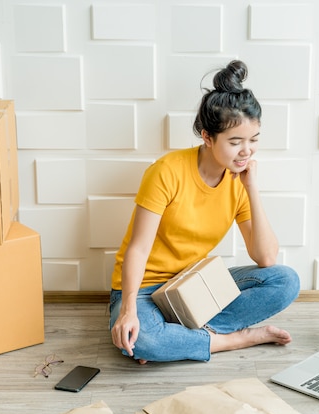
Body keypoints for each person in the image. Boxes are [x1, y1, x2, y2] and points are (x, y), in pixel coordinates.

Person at [109, 60, 300, 364]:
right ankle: (234, 339)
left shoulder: (239, 180)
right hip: (144, 288)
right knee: (142, 338)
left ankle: (182, 340)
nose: (246, 151)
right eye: (235, 142)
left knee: (286, 280)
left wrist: (252, 188)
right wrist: (129, 309)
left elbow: (266, 258)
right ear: (208, 138)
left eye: (253, 140)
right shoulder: (166, 172)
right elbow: (139, 247)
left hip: (193, 285)